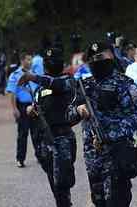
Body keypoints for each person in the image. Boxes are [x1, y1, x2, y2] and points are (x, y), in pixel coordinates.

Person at [77, 41, 137, 206]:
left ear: (111, 56)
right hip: (93, 157)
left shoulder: (125, 84)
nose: (96, 60)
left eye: (100, 56)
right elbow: (68, 114)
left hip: (117, 153)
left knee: (118, 200)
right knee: (98, 200)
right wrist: (78, 110)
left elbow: (136, 114)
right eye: (92, 58)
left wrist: (111, 134)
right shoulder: (85, 86)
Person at [20, 47, 80, 207]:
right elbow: (36, 104)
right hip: (45, 139)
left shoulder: (67, 81)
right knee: (53, 179)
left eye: (54, 62)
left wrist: (33, 77)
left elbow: (56, 84)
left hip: (63, 138)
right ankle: (63, 202)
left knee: (63, 180)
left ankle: (65, 202)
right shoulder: (40, 89)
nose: (51, 65)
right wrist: (31, 109)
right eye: (49, 63)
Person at [6, 52, 40, 168]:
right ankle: (20, 159)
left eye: (31, 60)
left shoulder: (34, 74)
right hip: (23, 107)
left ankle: (39, 155)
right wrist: (14, 108)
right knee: (23, 134)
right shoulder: (15, 75)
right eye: (28, 60)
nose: (30, 62)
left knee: (37, 133)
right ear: (22, 61)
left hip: (34, 106)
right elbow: (12, 93)